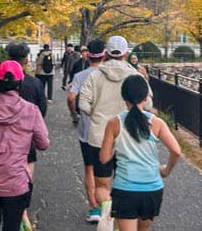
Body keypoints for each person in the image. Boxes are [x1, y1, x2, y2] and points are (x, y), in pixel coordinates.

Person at [79, 35, 153, 223]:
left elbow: (83, 104)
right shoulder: (135, 76)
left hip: (100, 136)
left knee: (102, 184)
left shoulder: (95, 75)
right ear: (126, 53)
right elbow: (149, 104)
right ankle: (122, 218)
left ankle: (107, 208)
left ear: (106, 53)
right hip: (128, 135)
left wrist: (96, 113)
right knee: (126, 182)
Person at [99, 75, 180, 231]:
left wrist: (116, 147)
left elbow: (103, 158)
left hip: (125, 189)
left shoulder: (114, 123)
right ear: (145, 97)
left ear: (124, 97)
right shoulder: (157, 123)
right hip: (152, 188)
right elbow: (176, 151)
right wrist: (165, 170)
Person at [0, 60, 49, 231]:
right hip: (17, 182)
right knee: (12, 226)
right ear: (20, 83)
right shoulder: (31, 110)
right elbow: (43, 144)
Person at [67, 40, 107, 223]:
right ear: (104, 54)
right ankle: (108, 205)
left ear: (88, 53)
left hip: (87, 129)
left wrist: (74, 114)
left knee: (89, 169)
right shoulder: (108, 74)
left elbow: (71, 97)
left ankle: (94, 208)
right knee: (109, 171)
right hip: (108, 129)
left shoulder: (81, 76)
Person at [6, 43, 48, 178]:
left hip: (3, 134)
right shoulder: (35, 83)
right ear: (26, 61)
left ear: (7, 59)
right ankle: (25, 190)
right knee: (28, 165)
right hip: (27, 133)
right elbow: (42, 109)